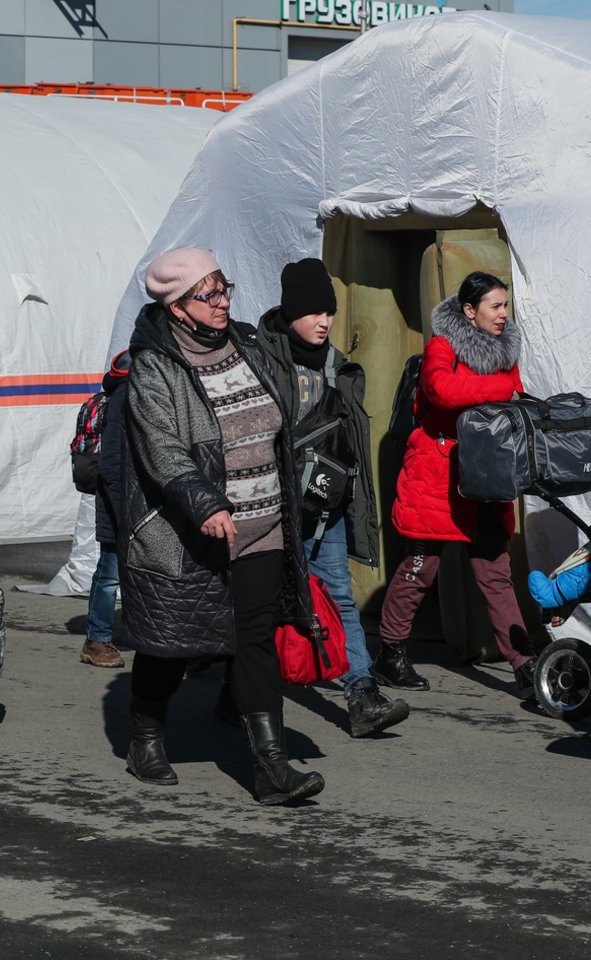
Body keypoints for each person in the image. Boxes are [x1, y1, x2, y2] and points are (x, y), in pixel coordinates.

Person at [118, 247, 323, 805]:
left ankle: (270, 767)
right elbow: (161, 448)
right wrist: (205, 502)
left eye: (223, 287)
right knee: (172, 644)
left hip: (263, 527)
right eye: (207, 294)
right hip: (188, 531)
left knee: (254, 643)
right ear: (177, 306)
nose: (222, 300)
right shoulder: (154, 364)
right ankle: (145, 735)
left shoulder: (247, 345)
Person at [257, 258, 410, 738]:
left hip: (327, 507)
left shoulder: (338, 365)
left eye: (330, 312)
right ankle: (238, 689)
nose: (324, 322)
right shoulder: (261, 359)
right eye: (314, 312)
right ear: (290, 312)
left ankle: (362, 694)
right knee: (262, 605)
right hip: (273, 508)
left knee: (339, 596)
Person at [376, 271, 535, 697]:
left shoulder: (506, 348)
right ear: (470, 310)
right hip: (437, 478)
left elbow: (515, 392)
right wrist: (499, 388)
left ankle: (526, 666)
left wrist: (501, 389)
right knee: (419, 571)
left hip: (485, 478)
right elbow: (440, 388)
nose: (504, 314)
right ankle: (390, 653)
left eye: (506, 305)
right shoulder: (441, 345)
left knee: (496, 574)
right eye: (495, 306)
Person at [80, 350, 130, 669]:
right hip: (122, 502)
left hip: (130, 501)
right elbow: (113, 463)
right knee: (111, 570)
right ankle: (97, 640)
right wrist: (124, 511)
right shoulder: (127, 395)